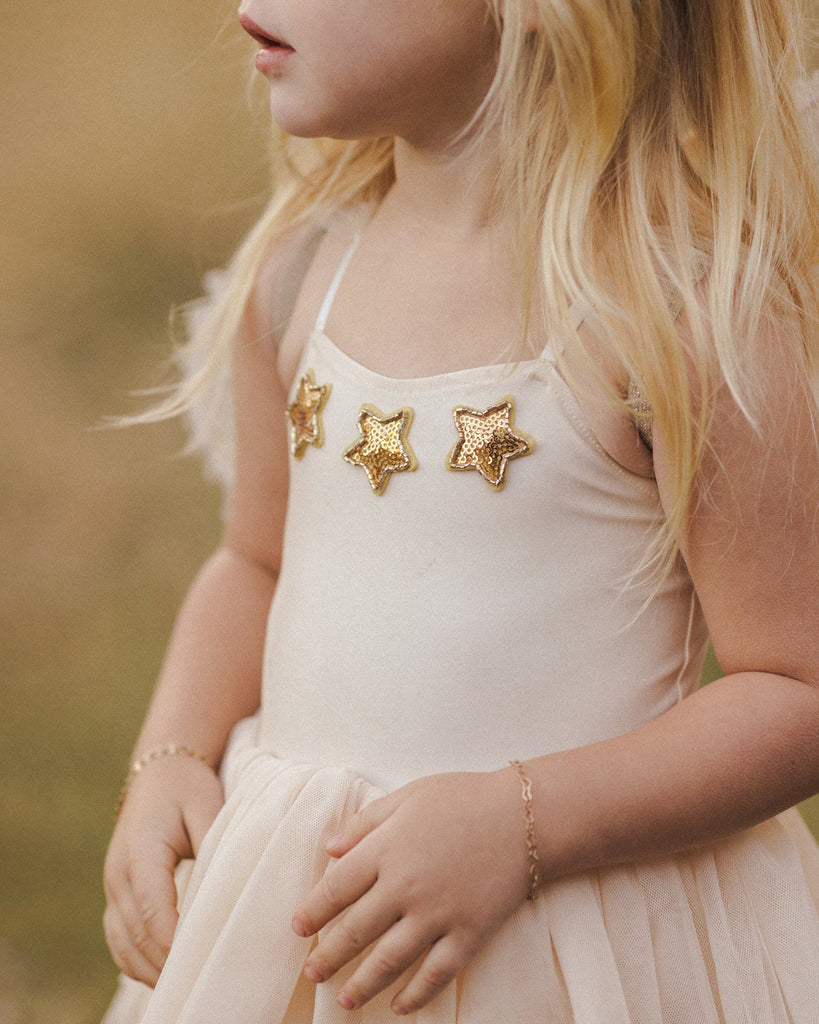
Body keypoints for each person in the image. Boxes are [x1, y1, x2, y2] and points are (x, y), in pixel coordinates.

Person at [101, 0, 819, 1021]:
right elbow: (255, 561)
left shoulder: (678, 317)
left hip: (570, 945)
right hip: (306, 916)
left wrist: (520, 823)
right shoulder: (303, 269)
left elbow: (794, 686)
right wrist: (170, 754)